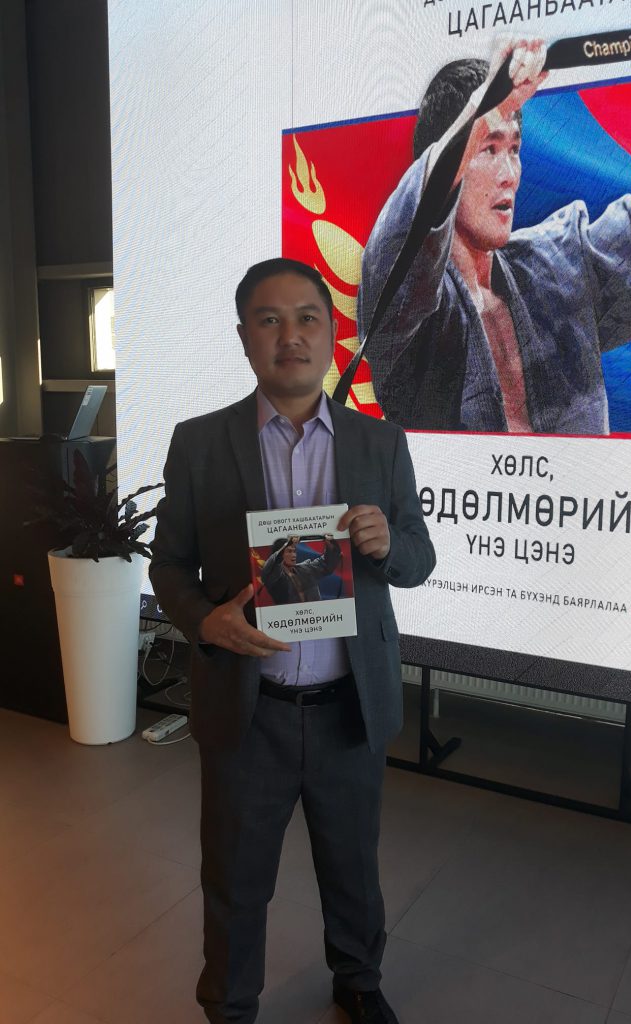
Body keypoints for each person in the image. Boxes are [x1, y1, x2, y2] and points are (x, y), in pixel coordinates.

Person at [150, 257, 435, 1024]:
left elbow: (419, 557)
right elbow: (168, 564)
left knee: (353, 867)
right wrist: (203, 620)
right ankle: (230, 1005)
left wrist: (387, 545)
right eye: (269, 320)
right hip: (250, 710)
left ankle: (358, 980)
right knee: (234, 878)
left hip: (348, 709)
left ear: (332, 331)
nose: (290, 336)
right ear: (244, 336)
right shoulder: (200, 443)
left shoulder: (380, 443)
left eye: (307, 317)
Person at [358, 12, 631, 434]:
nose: (509, 174)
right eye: (488, 148)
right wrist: (480, 111)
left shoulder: (556, 269)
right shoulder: (405, 316)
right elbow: (400, 253)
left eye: (514, 149)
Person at [260, 534, 341, 605]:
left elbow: (326, 564)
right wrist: (287, 544)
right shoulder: (272, 576)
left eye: (294, 551)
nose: (294, 555)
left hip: (317, 613)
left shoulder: (306, 568)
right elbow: (273, 563)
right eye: (289, 551)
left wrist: (331, 544)